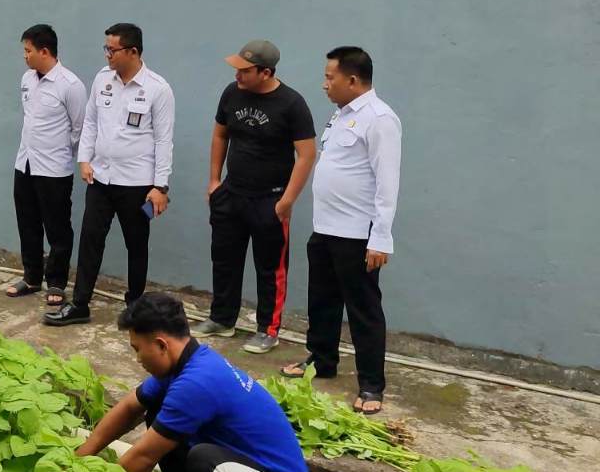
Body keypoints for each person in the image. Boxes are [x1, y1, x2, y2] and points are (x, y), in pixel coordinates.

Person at [76, 292, 314, 472]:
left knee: (203, 459)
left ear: (161, 345)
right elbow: (130, 408)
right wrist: (77, 461)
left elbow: (143, 456)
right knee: (157, 413)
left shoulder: (197, 383)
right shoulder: (187, 364)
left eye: (137, 349)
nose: (137, 359)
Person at [280, 47, 401, 415]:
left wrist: (380, 237)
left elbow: (387, 182)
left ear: (352, 79)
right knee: (322, 300)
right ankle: (321, 360)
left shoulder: (380, 119)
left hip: (357, 233)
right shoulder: (341, 115)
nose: (324, 84)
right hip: (326, 227)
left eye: (330, 77)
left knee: (363, 309)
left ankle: (371, 385)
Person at [44, 23, 173, 326]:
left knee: (136, 244)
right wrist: (84, 158)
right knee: (90, 239)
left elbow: (164, 140)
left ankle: (135, 306)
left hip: (138, 184)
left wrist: (160, 186)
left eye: (112, 50)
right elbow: (90, 122)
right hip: (101, 178)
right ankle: (80, 304)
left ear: (133, 51)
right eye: (106, 48)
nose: (107, 55)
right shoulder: (103, 80)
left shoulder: (157, 89)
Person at [192, 41, 317, 354]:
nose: (238, 75)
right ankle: (222, 319)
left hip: (269, 199)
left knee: (270, 268)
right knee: (224, 259)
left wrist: (287, 201)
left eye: (245, 70)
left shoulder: (291, 104)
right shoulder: (231, 93)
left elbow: (306, 155)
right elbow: (220, 134)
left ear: (266, 72)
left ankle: (268, 329)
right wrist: (214, 181)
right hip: (231, 194)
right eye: (237, 68)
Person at [5, 24, 86, 306]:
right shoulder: (27, 79)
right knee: (27, 222)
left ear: (45, 51)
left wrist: (62, 153)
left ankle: (57, 282)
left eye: (28, 51)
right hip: (25, 163)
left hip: (54, 169)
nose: (25, 56)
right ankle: (31, 277)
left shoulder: (70, 85)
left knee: (57, 228)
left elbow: (79, 129)